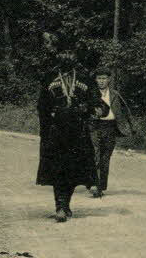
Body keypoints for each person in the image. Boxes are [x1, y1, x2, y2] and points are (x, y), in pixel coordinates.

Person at [36, 46, 108, 221]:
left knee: (73, 169)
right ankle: (59, 206)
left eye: (70, 54)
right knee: (57, 168)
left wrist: (98, 109)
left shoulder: (84, 78)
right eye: (63, 54)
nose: (66, 57)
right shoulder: (49, 77)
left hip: (78, 131)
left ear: (75, 58)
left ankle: (66, 203)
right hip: (56, 131)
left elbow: (96, 101)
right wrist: (45, 129)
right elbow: (42, 106)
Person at [88, 67, 136, 197]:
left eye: (104, 78)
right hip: (94, 126)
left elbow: (126, 110)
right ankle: (95, 184)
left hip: (110, 128)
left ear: (109, 79)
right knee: (95, 155)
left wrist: (132, 127)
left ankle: (101, 186)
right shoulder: (90, 94)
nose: (101, 81)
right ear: (95, 79)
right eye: (99, 78)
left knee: (105, 158)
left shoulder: (114, 94)